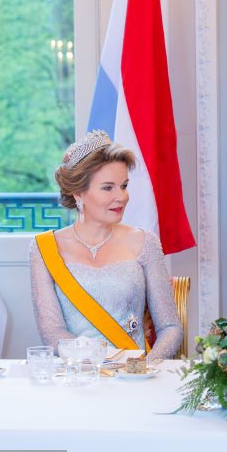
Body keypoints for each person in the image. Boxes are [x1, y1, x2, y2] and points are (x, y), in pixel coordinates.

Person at [29, 131, 183, 361]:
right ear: (78, 192)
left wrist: (142, 368)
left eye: (124, 185)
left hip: (135, 379)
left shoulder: (145, 242)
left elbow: (170, 327)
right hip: (77, 379)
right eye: (108, 188)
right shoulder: (44, 248)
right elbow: (52, 335)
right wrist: (103, 363)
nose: (121, 197)